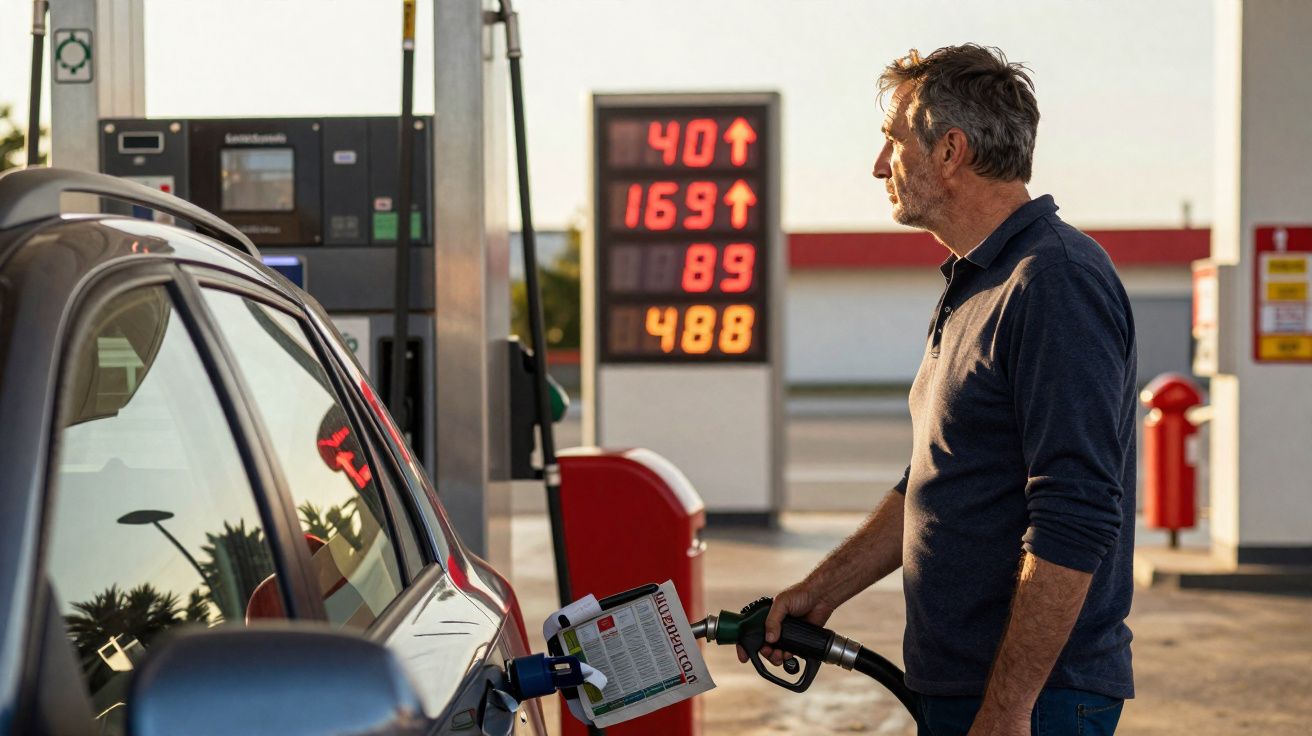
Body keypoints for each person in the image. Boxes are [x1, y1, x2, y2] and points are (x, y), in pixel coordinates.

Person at [744, 45, 1137, 735]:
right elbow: (934, 479)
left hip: (1036, 700)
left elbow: (1077, 512)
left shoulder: (1053, 282)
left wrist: (1009, 706)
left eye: (892, 142)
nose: (877, 166)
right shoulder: (975, 283)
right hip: (962, 687)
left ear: (951, 150)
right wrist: (820, 592)